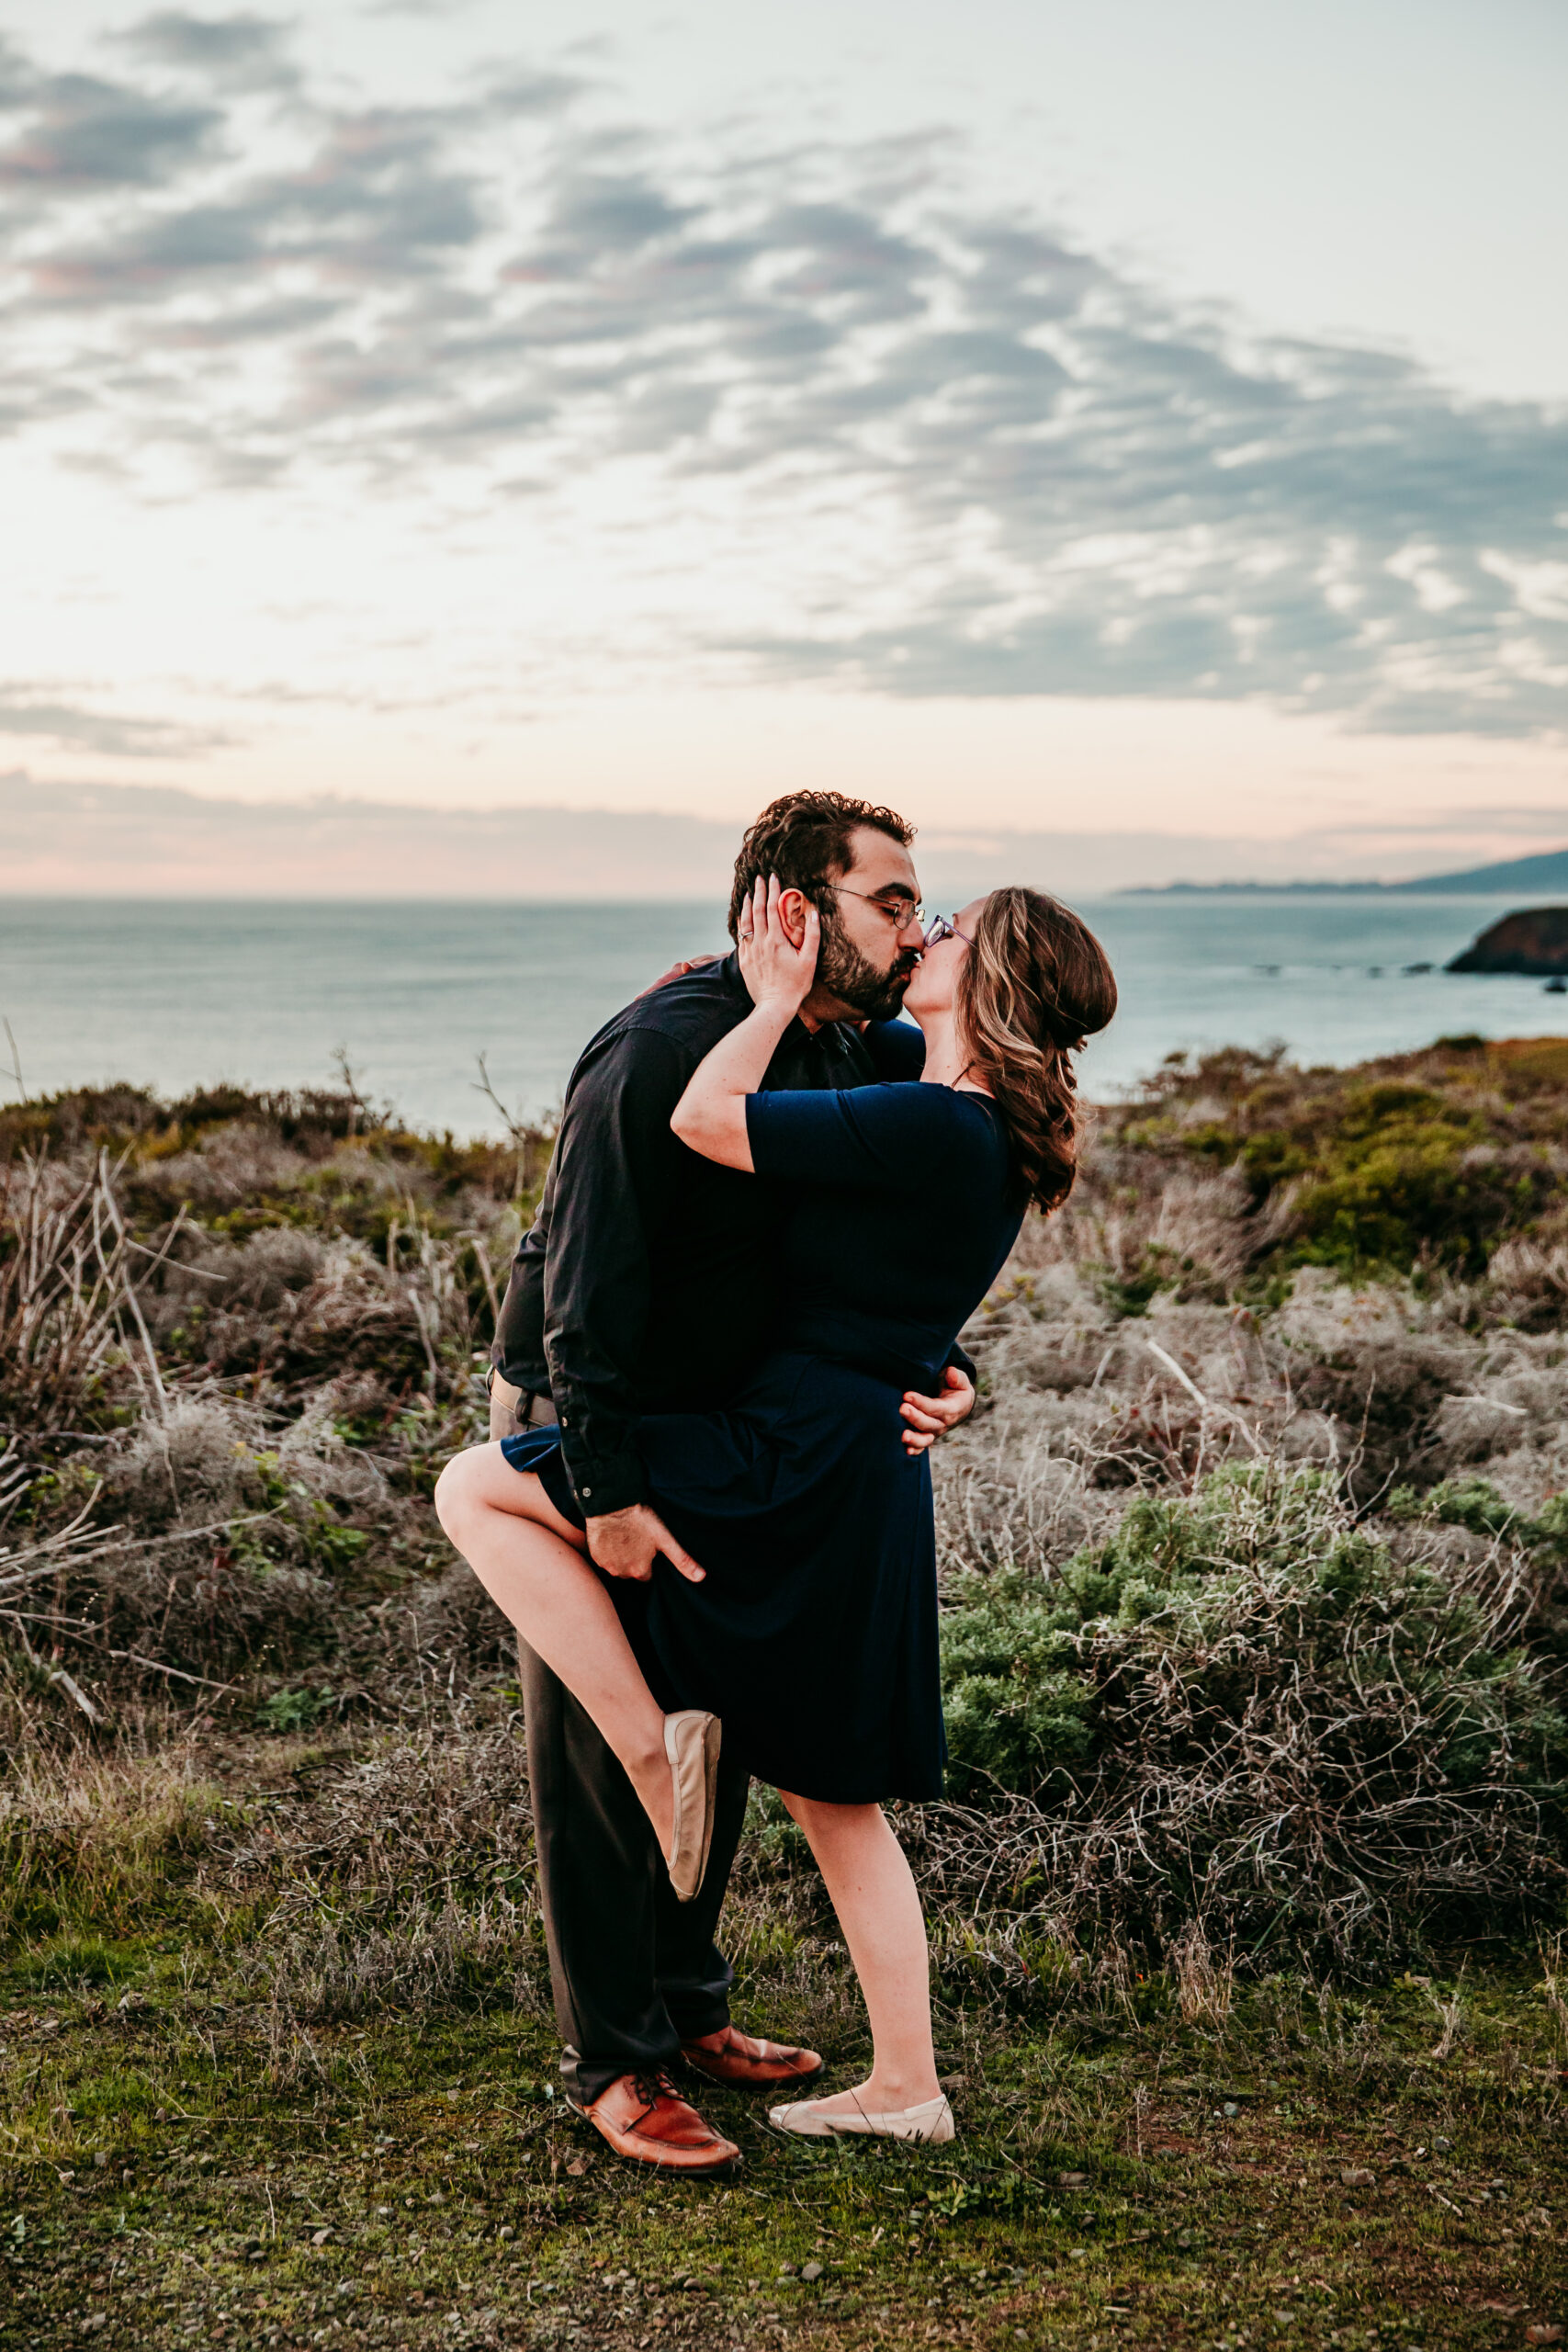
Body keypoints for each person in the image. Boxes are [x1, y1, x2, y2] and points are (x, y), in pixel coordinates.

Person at [439, 873, 1116, 2148]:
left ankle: (654, 1757)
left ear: (992, 979)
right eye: (911, 905)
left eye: (950, 925)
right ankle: (902, 2083)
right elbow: (909, 1272)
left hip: (792, 1446)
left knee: (474, 1486)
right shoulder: (934, 1084)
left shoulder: (932, 1116)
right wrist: (944, 1368)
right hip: (838, 1445)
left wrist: (768, 996)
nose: (927, 931)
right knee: (831, 1798)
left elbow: (707, 1118)